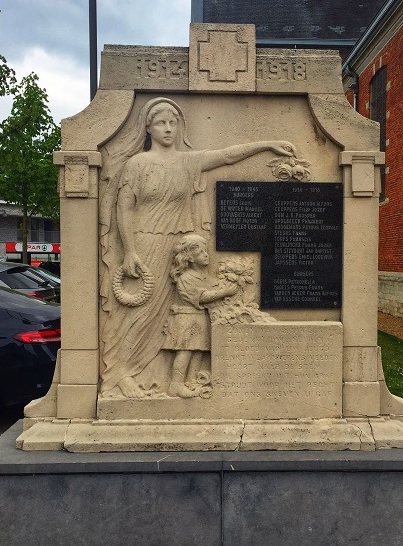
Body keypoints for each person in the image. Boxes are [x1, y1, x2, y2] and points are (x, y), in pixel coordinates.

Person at [99, 97, 294, 398]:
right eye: (161, 123)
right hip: (145, 244)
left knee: (170, 315)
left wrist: (267, 145)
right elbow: (124, 208)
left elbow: (227, 156)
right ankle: (123, 373)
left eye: (173, 123)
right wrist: (129, 251)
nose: (168, 129)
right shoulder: (137, 165)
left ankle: (162, 376)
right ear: (148, 127)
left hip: (177, 248)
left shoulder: (188, 162)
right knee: (139, 314)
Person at [162, 234, 238, 397]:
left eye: (206, 251)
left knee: (198, 350)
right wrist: (224, 292)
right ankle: (176, 384)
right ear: (189, 257)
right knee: (185, 351)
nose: (206, 254)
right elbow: (201, 297)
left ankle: (191, 380)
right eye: (201, 252)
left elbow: (212, 285)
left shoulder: (203, 276)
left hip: (199, 318)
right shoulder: (186, 278)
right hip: (186, 319)